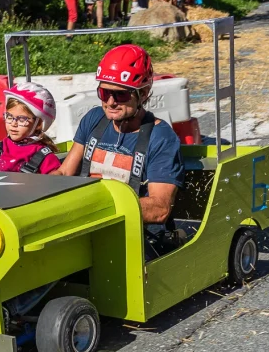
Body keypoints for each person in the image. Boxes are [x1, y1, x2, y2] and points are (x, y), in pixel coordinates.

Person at [54, 44, 185, 256]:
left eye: (121, 95)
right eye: (104, 92)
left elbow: (160, 209)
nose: (110, 102)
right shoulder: (93, 119)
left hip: (138, 234)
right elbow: (63, 173)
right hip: (87, 225)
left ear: (143, 93)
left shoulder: (162, 137)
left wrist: (97, 212)